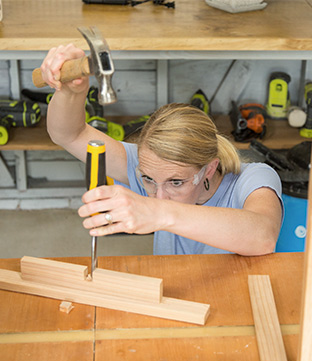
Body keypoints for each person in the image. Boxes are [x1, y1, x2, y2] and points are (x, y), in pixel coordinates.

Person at [39, 44, 284, 256]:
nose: (158, 196)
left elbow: (263, 235)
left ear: (209, 168)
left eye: (176, 182)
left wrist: (158, 213)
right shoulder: (148, 166)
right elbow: (69, 134)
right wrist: (71, 91)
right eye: (148, 180)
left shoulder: (253, 179)